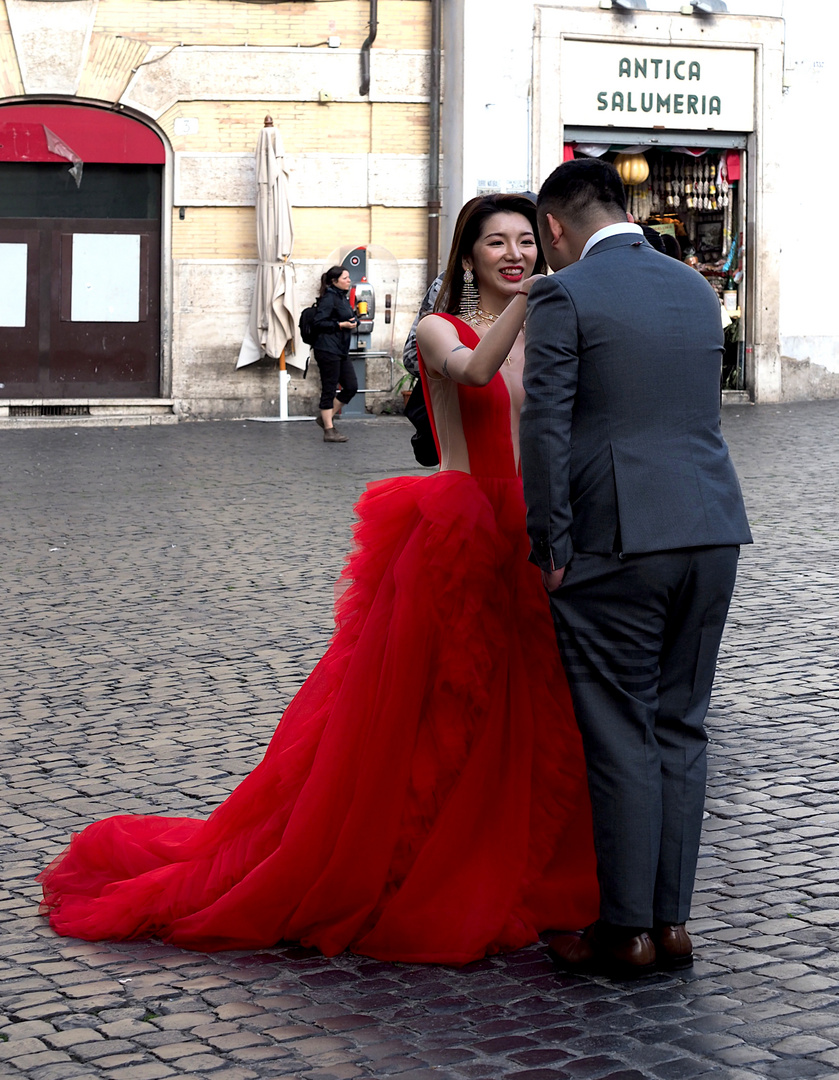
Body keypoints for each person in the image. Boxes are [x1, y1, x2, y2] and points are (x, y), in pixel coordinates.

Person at [38, 193, 598, 965]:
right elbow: (472, 371)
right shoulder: (443, 328)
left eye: (526, 242)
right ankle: (413, 864)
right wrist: (534, 302)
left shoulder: (552, 332)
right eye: (495, 243)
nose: (514, 255)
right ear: (466, 259)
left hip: (533, 535)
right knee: (436, 712)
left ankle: (510, 854)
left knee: (527, 709)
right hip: (464, 535)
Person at [519, 158, 752, 978]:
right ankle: (672, 923)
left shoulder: (563, 293)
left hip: (615, 540)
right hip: (711, 528)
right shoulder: (693, 287)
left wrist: (547, 542)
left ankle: (623, 931)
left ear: (553, 228)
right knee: (681, 727)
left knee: (620, 733)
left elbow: (542, 428)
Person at [311, 266, 358, 443]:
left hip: (340, 349)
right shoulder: (329, 298)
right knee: (329, 389)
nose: (348, 280)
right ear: (334, 281)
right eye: (345, 278)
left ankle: (325, 417)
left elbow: (348, 316)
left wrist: (353, 322)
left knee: (351, 386)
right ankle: (329, 430)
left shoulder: (342, 297)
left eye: (348, 277)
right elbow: (318, 323)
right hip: (327, 349)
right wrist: (340, 325)